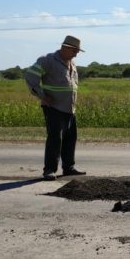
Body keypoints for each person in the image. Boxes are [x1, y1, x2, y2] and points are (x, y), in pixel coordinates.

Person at [24, 35, 87, 180]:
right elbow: (30, 77)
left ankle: (68, 167)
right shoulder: (47, 60)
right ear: (65, 48)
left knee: (70, 138)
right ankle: (49, 170)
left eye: (77, 51)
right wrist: (42, 95)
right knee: (55, 139)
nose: (76, 54)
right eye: (75, 51)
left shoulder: (72, 63)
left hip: (69, 108)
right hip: (54, 107)